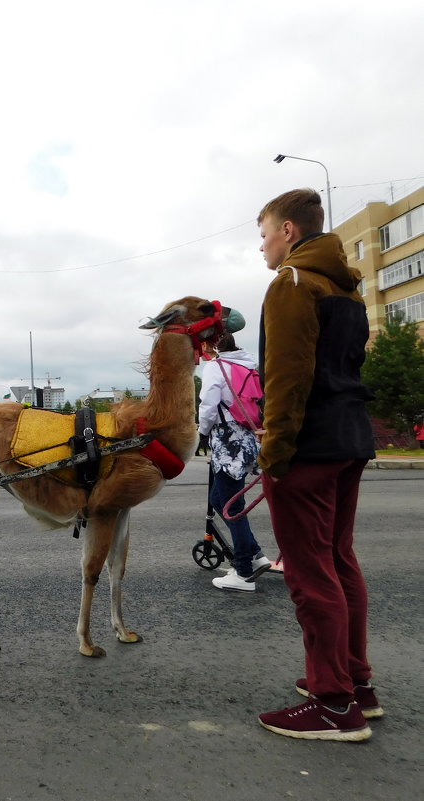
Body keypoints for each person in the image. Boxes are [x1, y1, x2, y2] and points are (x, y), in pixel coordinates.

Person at [254, 188, 379, 742]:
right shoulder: (346, 288)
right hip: (351, 437)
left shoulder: (292, 284)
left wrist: (274, 453)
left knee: (309, 574)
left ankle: (333, 705)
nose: (261, 248)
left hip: (308, 445)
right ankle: (357, 685)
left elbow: (288, 377)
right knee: (339, 560)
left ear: (287, 231)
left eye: (263, 235)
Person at [197, 332, 270, 592]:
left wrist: (202, 432)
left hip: (227, 441)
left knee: (231, 506)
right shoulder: (245, 363)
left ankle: (244, 572)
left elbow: (208, 404)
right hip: (248, 437)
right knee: (220, 500)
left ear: (209, 344)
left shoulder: (216, 366)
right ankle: (256, 555)